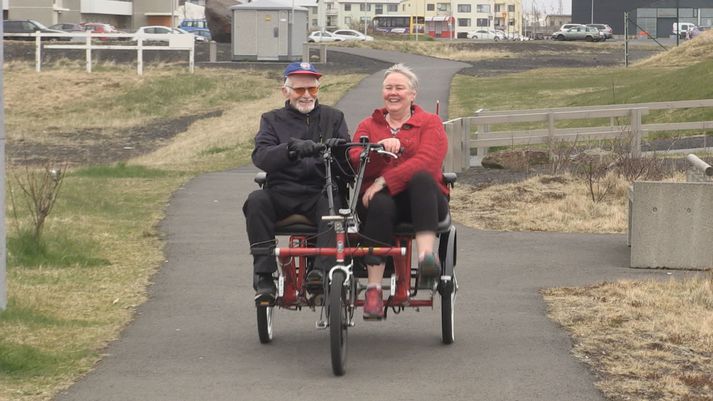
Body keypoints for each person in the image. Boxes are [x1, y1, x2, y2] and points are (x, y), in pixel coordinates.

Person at [348, 63, 450, 319]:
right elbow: (354, 156)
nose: (393, 92)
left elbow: (427, 160)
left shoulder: (430, 122)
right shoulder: (369, 125)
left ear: (412, 94)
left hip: (423, 202)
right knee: (380, 204)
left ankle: (427, 258)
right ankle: (373, 290)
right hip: (380, 203)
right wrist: (378, 150)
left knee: (422, 178)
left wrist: (384, 179)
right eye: (388, 87)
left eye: (399, 88)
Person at [244, 61, 350, 305]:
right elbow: (261, 156)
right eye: (299, 90)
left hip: (320, 190)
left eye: (311, 90)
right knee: (256, 200)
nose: (306, 96)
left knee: (333, 201)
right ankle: (264, 275)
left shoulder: (334, 117)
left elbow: (348, 163)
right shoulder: (271, 120)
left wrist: (338, 152)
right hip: (282, 191)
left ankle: (321, 272)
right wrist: (291, 150)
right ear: (286, 91)